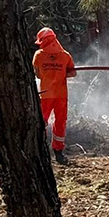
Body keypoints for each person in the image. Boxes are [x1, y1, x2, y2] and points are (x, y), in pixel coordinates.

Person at [33, 27, 77, 164]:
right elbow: (73, 73)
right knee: (60, 122)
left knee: (41, 122)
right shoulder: (65, 55)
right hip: (61, 95)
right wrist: (61, 73)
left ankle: (40, 150)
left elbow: (38, 74)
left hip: (45, 95)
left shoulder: (39, 55)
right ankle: (58, 152)